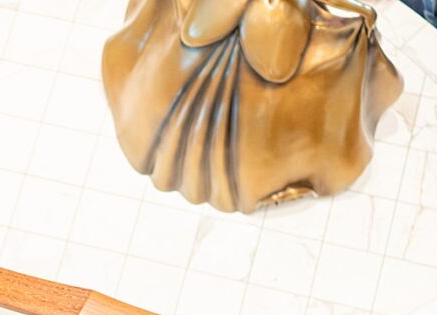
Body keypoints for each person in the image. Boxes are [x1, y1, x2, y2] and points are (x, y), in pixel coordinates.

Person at [102, 0, 402, 213]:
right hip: (218, 48)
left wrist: (358, 13)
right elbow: (197, 32)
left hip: (265, 49)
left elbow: (274, 64)